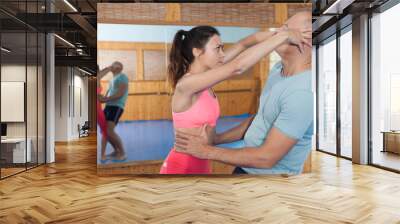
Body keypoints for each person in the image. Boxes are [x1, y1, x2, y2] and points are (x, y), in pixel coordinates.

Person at [160, 22, 311, 174]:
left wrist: (281, 34)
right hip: (181, 164)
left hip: (202, 161)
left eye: (223, 48)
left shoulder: (207, 75)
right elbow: (237, 66)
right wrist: (285, 35)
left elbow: (243, 43)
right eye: (217, 48)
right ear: (197, 52)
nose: (223, 54)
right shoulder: (187, 84)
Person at [98, 62, 129, 162]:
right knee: (106, 131)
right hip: (109, 106)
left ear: (119, 67)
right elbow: (109, 93)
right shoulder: (112, 80)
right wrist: (103, 98)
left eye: (114, 65)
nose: (112, 66)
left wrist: (106, 99)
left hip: (116, 106)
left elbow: (120, 93)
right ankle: (116, 151)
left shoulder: (123, 77)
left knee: (110, 131)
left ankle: (123, 153)